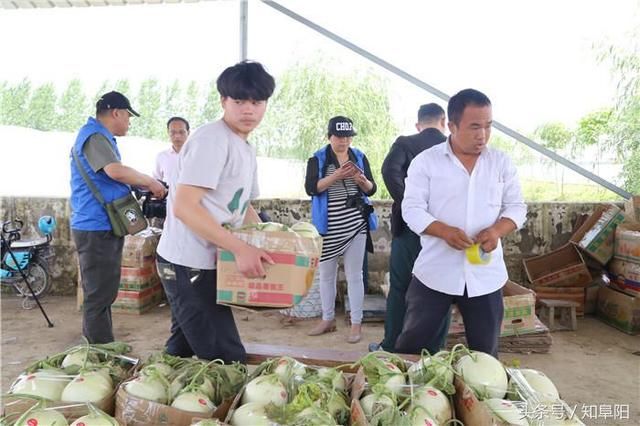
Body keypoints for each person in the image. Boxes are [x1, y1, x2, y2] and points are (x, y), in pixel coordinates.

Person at [155, 61, 276, 363]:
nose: (248, 109)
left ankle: (152, 404)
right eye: (239, 101)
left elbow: (241, 205)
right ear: (223, 101)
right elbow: (184, 206)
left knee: (181, 350)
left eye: (256, 101)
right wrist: (239, 247)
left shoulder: (244, 147)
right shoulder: (212, 140)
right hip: (188, 264)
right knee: (226, 357)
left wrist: (267, 242)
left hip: (209, 261)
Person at [395, 89, 526, 357]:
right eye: (474, 127)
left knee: (485, 353)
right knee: (411, 348)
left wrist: (496, 231)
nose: (483, 135)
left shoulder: (500, 163)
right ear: (451, 126)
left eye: (488, 126)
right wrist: (444, 232)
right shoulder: (427, 162)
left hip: (485, 277)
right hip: (435, 272)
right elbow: (411, 209)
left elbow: (516, 207)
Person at [70, 91, 167, 344]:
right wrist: (150, 181)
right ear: (116, 113)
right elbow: (115, 172)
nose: (129, 121)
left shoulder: (100, 137)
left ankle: (100, 345)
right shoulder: (94, 137)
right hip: (95, 226)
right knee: (99, 295)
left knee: (103, 292)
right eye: (127, 116)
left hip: (100, 224)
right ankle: (99, 351)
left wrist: (140, 186)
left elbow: (107, 178)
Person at [369, 103, 450, 353]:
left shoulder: (405, 143)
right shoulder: (453, 148)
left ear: (418, 124)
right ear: (444, 122)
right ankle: (434, 350)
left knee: (400, 287)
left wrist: (410, 208)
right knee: (443, 289)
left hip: (409, 232)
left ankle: (391, 345)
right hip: (444, 232)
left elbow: (388, 170)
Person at [305, 116, 378, 344]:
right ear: (329, 137)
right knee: (326, 276)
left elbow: (371, 189)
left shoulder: (359, 157)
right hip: (328, 226)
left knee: (355, 276)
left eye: (347, 137)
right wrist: (336, 175)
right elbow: (311, 188)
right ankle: (328, 319)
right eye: (339, 136)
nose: (344, 141)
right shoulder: (317, 159)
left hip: (356, 224)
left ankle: (356, 324)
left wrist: (360, 179)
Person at [153, 116, 190, 187]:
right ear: (168, 133)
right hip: (168, 197)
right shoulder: (161, 156)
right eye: (173, 132)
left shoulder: (196, 155)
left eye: (181, 132)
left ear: (188, 133)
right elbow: (156, 180)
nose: (177, 136)